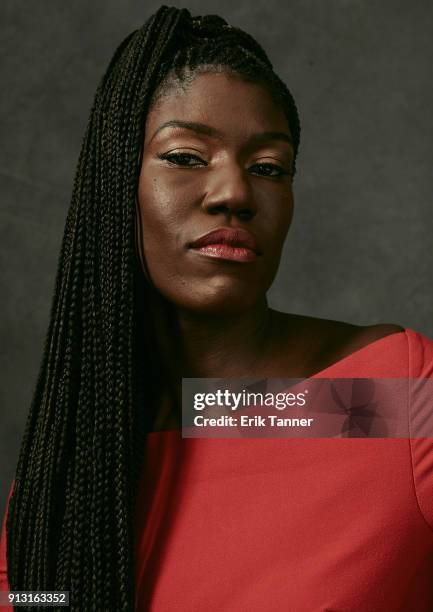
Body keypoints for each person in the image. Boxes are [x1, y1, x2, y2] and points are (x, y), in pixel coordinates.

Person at [1, 5, 433, 611]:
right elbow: (35, 600)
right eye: (185, 157)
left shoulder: (386, 397)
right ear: (114, 181)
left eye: (268, 168)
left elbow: (256, 417)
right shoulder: (71, 466)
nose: (234, 192)